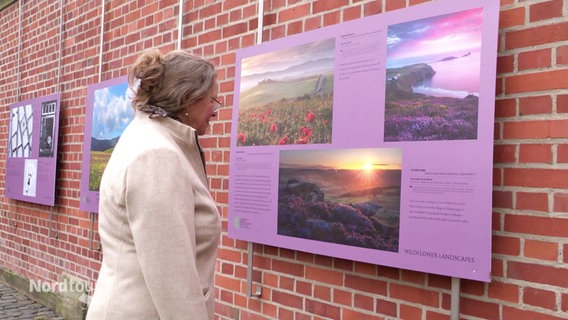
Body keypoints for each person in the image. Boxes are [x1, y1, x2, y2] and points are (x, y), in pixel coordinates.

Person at [86, 48, 222, 320]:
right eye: (212, 100)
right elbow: (173, 280)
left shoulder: (148, 137)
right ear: (186, 99)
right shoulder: (157, 154)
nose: (216, 110)